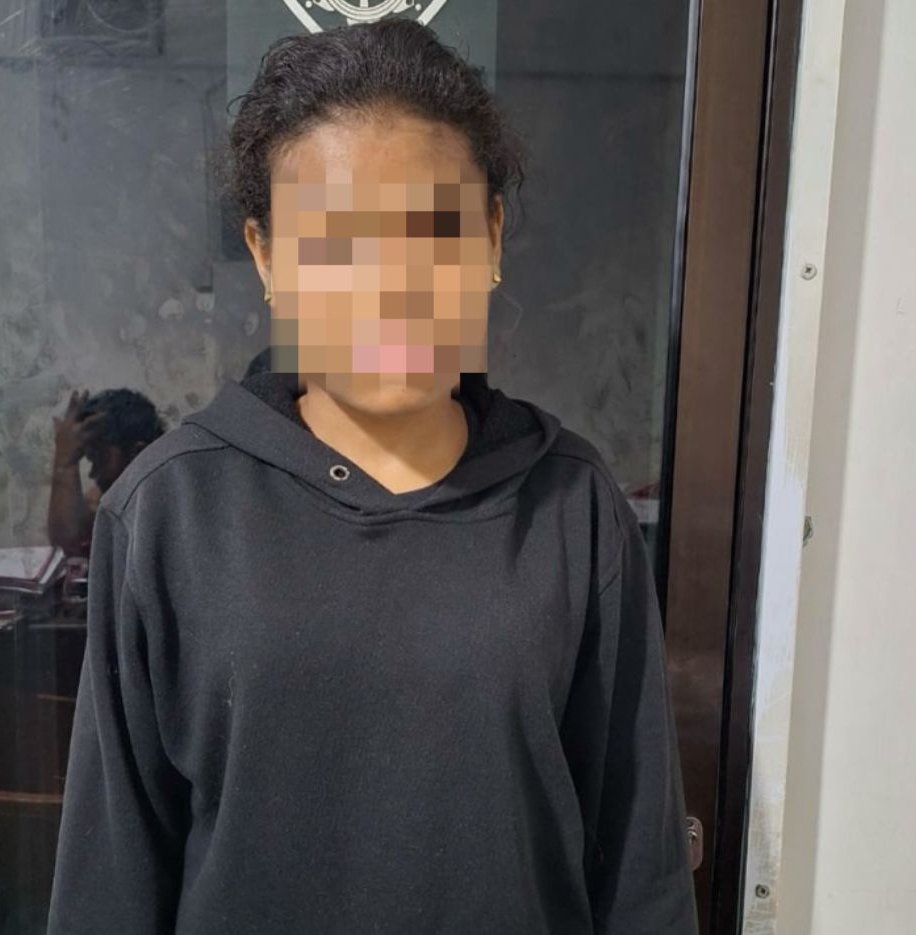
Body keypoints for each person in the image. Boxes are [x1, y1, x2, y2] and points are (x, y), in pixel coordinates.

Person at [47, 18, 698, 935]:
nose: (389, 287)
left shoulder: (572, 507)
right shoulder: (168, 513)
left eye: (432, 233)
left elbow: (641, 869)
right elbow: (110, 880)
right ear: (267, 256)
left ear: (491, 237)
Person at [48, 387, 166, 557]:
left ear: (138, 454)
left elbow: (70, 542)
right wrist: (65, 459)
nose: (92, 474)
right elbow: (67, 543)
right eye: (91, 460)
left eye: (99, 458)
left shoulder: (170, 500)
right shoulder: (103, 501)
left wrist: (65, 461)